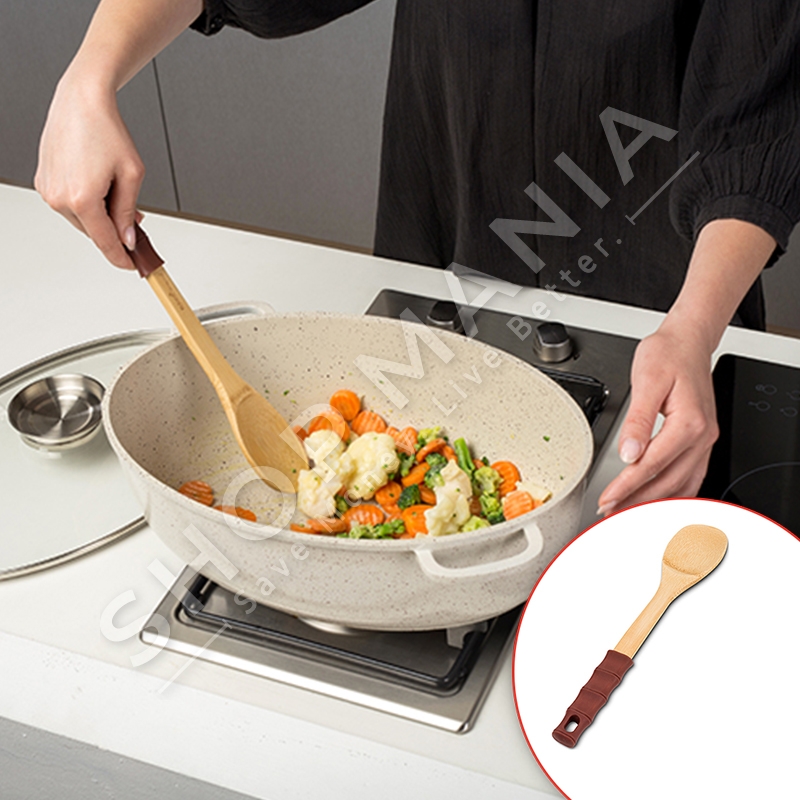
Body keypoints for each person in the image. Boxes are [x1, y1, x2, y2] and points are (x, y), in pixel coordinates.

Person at [35, 0, 800, 515]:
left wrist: (693, 328)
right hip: (445, 238)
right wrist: (88, 79)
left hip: (677, 293)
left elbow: (760, 119)